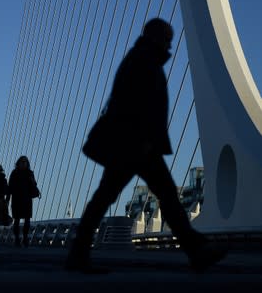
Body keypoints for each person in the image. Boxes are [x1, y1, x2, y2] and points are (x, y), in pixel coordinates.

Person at [65, 18, 227, 273]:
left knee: (120, 196)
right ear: (155, 36)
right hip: (137, 144)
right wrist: (146, 140)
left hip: (135, 142)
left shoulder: (141, 57)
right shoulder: (144, 60)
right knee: (158, 196)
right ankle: (197, 249)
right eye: (167, 37)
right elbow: (137, 103)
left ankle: (196, 249)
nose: (169, 43)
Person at [8, 156, 39, 247]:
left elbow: (34, 184)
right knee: (16, 219)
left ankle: (25, 238)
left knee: (27, 219)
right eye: (22, 162)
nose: (24, 163)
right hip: (17, 199)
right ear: (18, 163)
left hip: (27, 199)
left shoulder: (30, 173)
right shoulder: (14, 173)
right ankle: (17, 238)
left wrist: (32, 181)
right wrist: (7, 200)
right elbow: (10, 187)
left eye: (25, 162)